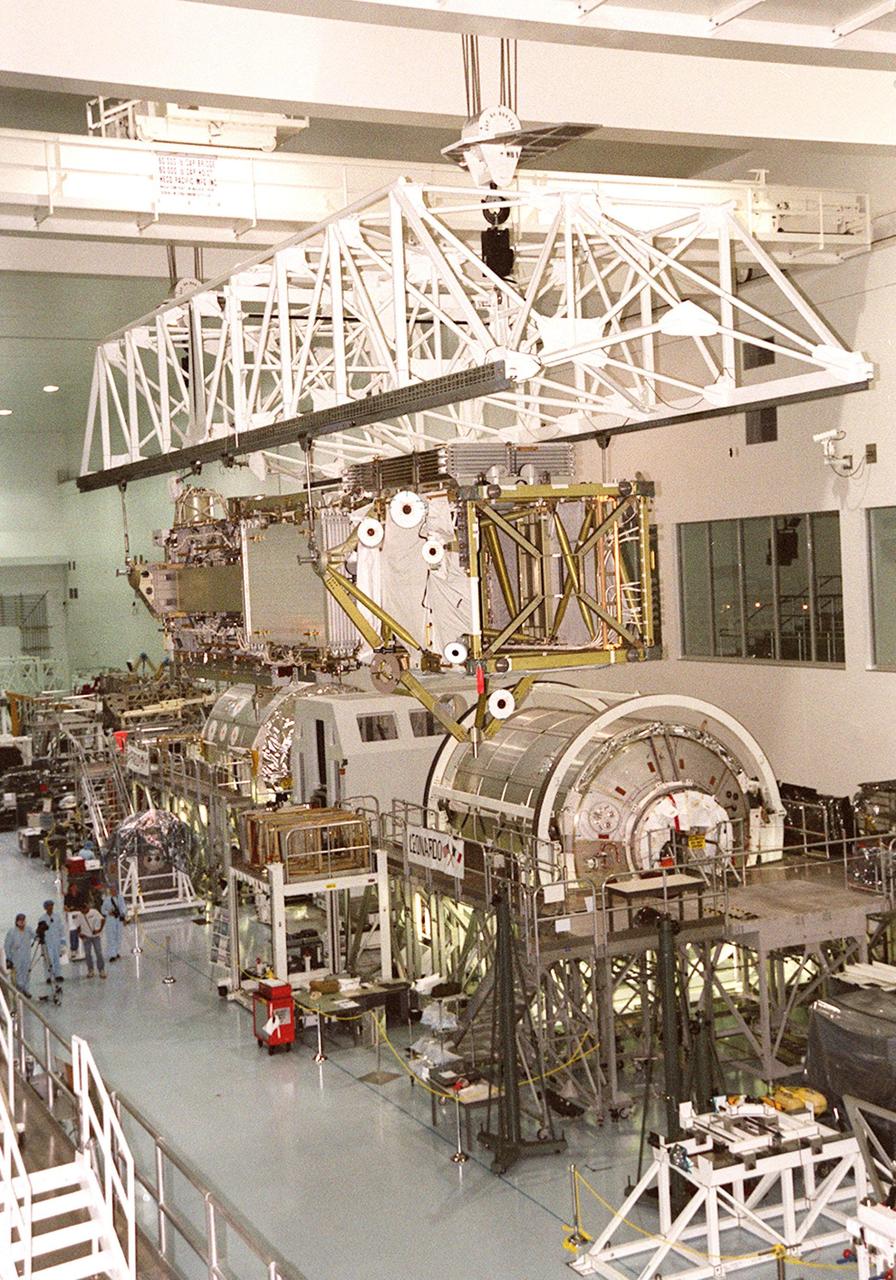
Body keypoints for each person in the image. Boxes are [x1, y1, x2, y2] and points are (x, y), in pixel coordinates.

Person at [72, 900, 106, 979]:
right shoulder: (80, 916)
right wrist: (79, 934)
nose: (83, 911)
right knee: (87, 954)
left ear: (87, 907)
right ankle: (90, 970)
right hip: (86, 936)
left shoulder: (94, 912)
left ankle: (101, 970)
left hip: (96, 936)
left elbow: (103, 919)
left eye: (84, 909)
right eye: (81, 910)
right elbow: (77, 926)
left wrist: (100, 929)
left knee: (99, 952)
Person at [4, 913, 35, 996]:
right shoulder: (12, 932)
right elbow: (7, 946)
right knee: (18, 976)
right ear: (17, 922)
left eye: (23, 920)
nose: (22, 922)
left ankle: (26, 990)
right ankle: (19, 992)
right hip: (16, 958)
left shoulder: (28, 929)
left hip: (27, 957)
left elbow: (35, 936)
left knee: (26, 974)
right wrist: (9, 958)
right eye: (20, 920)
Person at [37, 899, 66, 983]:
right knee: (48, 959)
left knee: (57, 958)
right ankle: (48, 976)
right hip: (47, 942)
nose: (50, 907)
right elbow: (40, 930)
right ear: (45, 908)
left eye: (51, 905)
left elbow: (61, 929)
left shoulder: (57, 916)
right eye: (48, 906)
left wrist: (62, 940)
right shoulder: (42, 918)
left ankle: (58, 975)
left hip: (56, 941)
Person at [100, 883, 127, 962]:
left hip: (119, 919)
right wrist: (108, 913)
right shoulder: (107, 899)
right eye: (112, 890)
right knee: (111, 937)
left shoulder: (120, 898)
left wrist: (123, 915)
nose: (113, 891)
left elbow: (124, 907)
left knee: (119, 936)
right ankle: (112, 954)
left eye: (114, 890)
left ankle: (117, 952)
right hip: (110, 920)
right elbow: (102, 910)